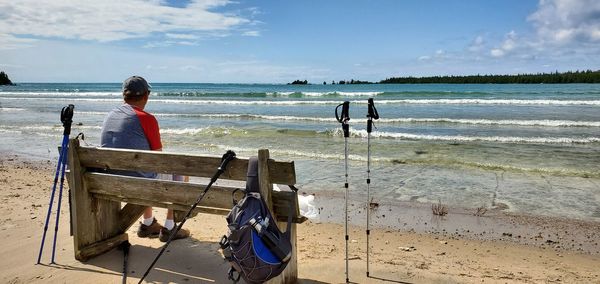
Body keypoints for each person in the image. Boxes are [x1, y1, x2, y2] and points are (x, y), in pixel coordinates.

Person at [100, 75, 189, 242]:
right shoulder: (146, 118)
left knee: (142, 169)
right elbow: (158, 158)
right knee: (178, 170)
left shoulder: (109, 116)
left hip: (110, 181)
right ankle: (170, 227)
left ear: (123, 95)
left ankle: (148, 223)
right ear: (146, 95)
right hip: (139, 185)